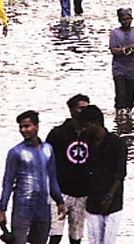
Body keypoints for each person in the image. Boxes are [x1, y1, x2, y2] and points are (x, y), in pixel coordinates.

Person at [0, 110, 66, 244]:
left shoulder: (48, 149)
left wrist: (60, 202)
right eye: (21, 127)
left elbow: (52, 178)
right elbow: (8, 182)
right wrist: (2, 209)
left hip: (43, 208)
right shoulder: (16, 152)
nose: (23, 130)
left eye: (27, 126)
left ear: (37, 126)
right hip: (23, 208)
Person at [77, 105, 127, 244]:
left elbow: (120, 174)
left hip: (113, 203)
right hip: (93, 201)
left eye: (86, 126)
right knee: (93, 240)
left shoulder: (118, 144)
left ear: (96, 123)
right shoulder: (86, 143)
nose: (83, 129)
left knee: (109, 241)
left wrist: (109, 197)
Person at [46, 95, 91, 244]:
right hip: (60, 192)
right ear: (72, 110)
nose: (85, 112)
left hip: (82, 193)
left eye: (87, 108)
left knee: (76, 236)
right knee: (55, 234)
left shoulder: (91, 134)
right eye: (81, 108)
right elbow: (47, 162)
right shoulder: (58, 133)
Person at [109, 8, 134, 118]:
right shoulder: (115, 33)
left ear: (131, 19)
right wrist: (126, 49)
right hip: (118, 67)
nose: (126, 22)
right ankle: (119, 116)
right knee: (120, 93)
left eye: (128, 19)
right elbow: (113, 50)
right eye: (123, 19)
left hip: (132, 68)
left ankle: (128, 117)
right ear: (119, 20)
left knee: (130, 95)